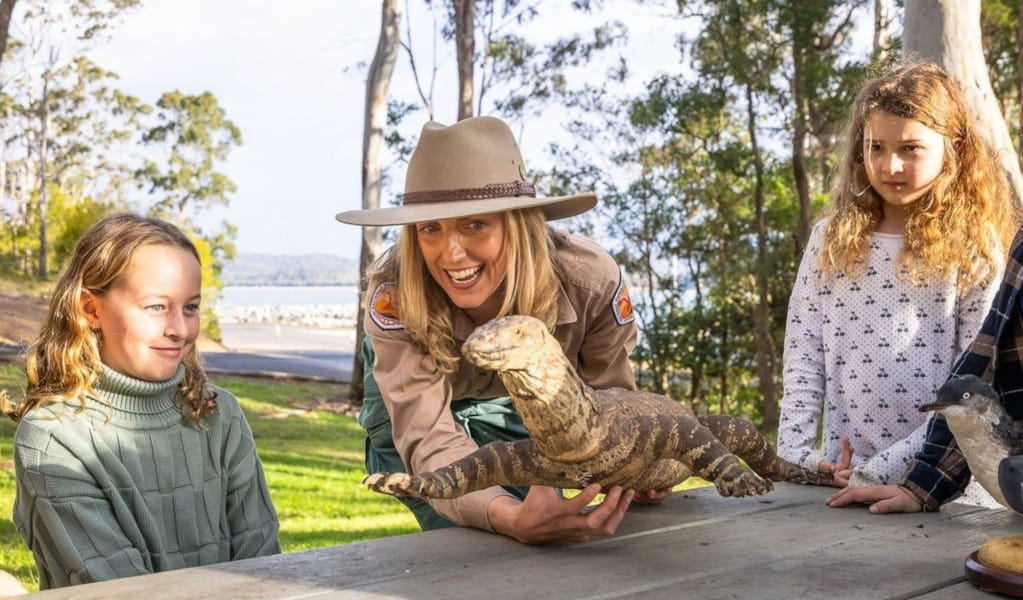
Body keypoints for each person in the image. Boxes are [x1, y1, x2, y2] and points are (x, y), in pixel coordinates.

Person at [336, 116, 659, 544]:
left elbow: (609, 404)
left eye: (475, 224)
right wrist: (511, 518)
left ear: (518, 223)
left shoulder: (591, 282)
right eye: (430, 228)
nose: (451, 254)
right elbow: (429, 437)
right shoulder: (396, 295)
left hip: (518, 401)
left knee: (556, 525)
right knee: (475, 539)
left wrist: (634, 468)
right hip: (413, 408)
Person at [777, 60, 1018, 503]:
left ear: (954, 148)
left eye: (911, 148)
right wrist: (799, 459)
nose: (890, 165)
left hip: (944, 492)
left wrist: (888, 472)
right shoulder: (828, 239)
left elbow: (973, 382)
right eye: (876, 147)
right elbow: (803, 356)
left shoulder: (974, 247)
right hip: (840, 483)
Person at [1, 213, 280, 589]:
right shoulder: (53, 439)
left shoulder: (219, 414)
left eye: (191, 307)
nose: (180, 330)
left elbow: (264, 567)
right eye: (156, 307)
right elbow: (119, 590)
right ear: (90, 309)